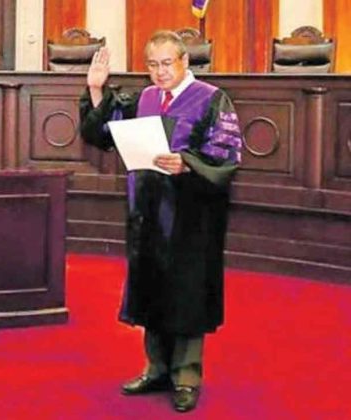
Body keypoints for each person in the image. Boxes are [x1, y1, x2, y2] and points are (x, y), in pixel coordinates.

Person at [79, 30, 242, 412]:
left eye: (166, 63)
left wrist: (187, 163)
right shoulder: (146, 97)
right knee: (152, 284)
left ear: (185, 60)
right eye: (152, 64)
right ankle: (156, 368)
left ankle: (186, 375)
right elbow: (103, 134)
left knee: (186, 290)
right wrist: (96, 89)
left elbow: (227, 152)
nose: (159, 72)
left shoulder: (211, 98)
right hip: (149, 208)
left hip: (191, 212)